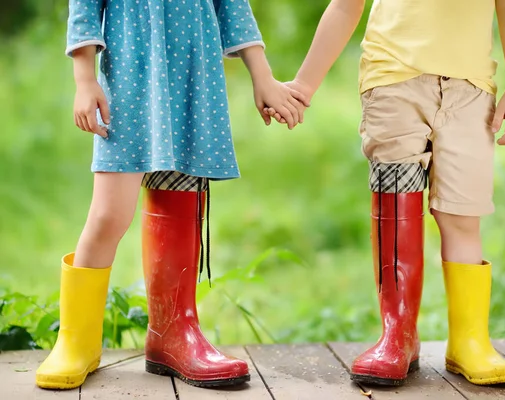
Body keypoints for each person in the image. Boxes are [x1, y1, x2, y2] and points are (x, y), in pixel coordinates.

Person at [35, 0, 308, 390]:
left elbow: (231, 4)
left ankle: (173, 334)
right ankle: (76, 341)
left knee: (181, 196)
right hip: (130, 69)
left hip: (195, 68)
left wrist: (261, 75)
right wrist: (84, 78)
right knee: (110, 213)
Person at [268, 0, 505, 386]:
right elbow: (344, 6)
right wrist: (305, 84)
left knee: (462, 215)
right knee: (395, 206)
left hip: (471, 92)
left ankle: (470, 341)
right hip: (392, 82)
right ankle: (398, 336)